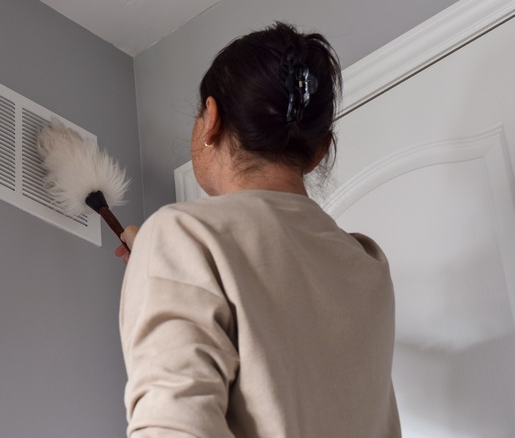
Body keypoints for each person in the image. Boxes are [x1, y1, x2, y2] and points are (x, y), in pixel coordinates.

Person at [114, 22, 400, 437]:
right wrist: (166, 260)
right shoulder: (365, 263)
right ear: (319, 150)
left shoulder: (183, 237)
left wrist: (166, 253)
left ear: (210, 119)